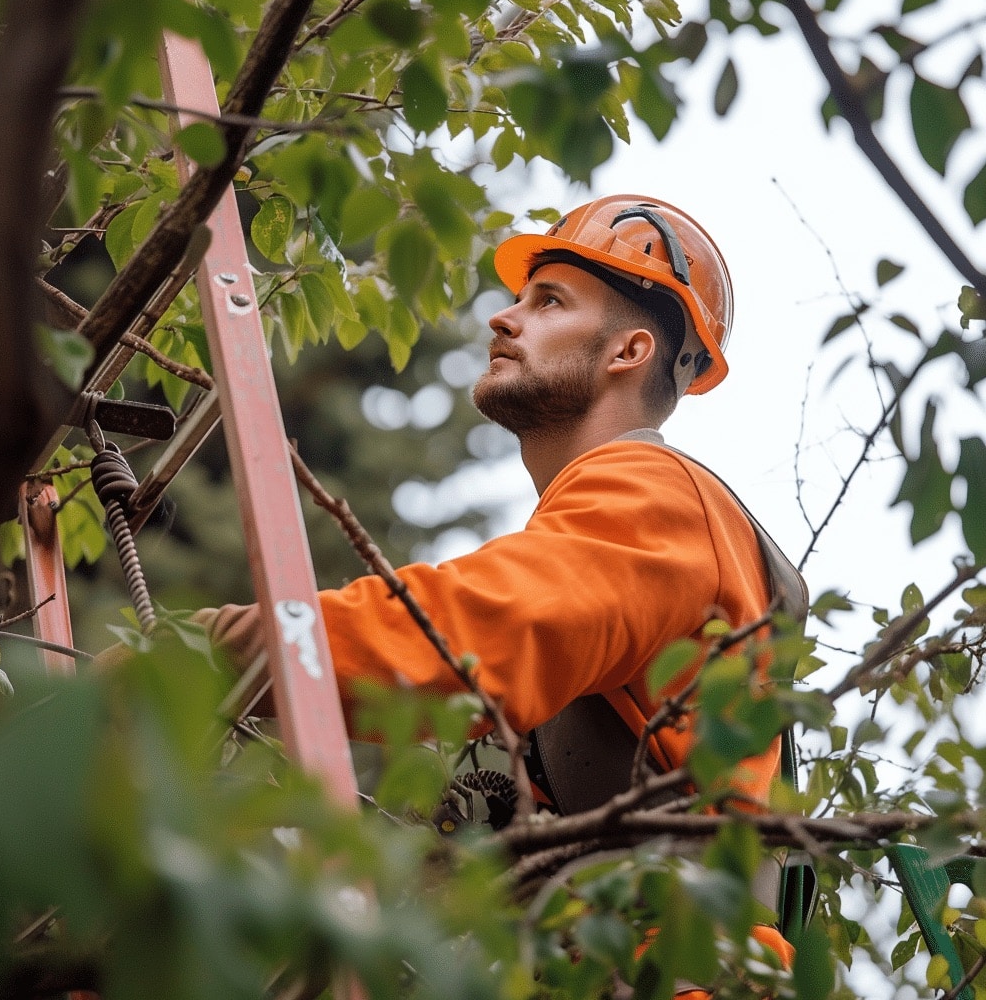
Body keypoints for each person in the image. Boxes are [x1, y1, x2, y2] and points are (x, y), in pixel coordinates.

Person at [195, 194, 804, 994]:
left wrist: (204, 651)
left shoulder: (653, 494)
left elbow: (459, 636)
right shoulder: (595, 523)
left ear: (628, 350)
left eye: (547, 302)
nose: (503, 320)